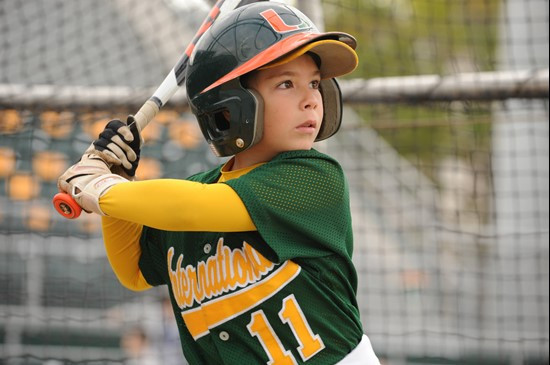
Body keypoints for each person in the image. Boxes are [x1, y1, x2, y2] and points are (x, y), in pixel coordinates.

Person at [58, 3, 381, 364]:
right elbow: (133, 271)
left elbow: (192, 208)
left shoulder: (315, 178)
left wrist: (103, 190)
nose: (311, 100)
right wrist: (116, 182)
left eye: (315, 84)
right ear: (229, 107)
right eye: (286, 84)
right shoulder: (200, 191)